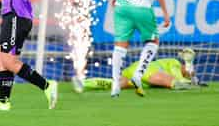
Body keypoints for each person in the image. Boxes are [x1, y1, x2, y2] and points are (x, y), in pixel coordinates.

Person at [72, 48, 203, 93]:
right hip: (146, 70)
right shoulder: (175, 64)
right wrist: (193, 82)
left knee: (114, 84)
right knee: (171, 82)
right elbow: (178, 79)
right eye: (189, 67)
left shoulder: (182, 73)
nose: (190, 70)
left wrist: (192, 79)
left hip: (136, 75)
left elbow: (184, 78)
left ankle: (83, 83)